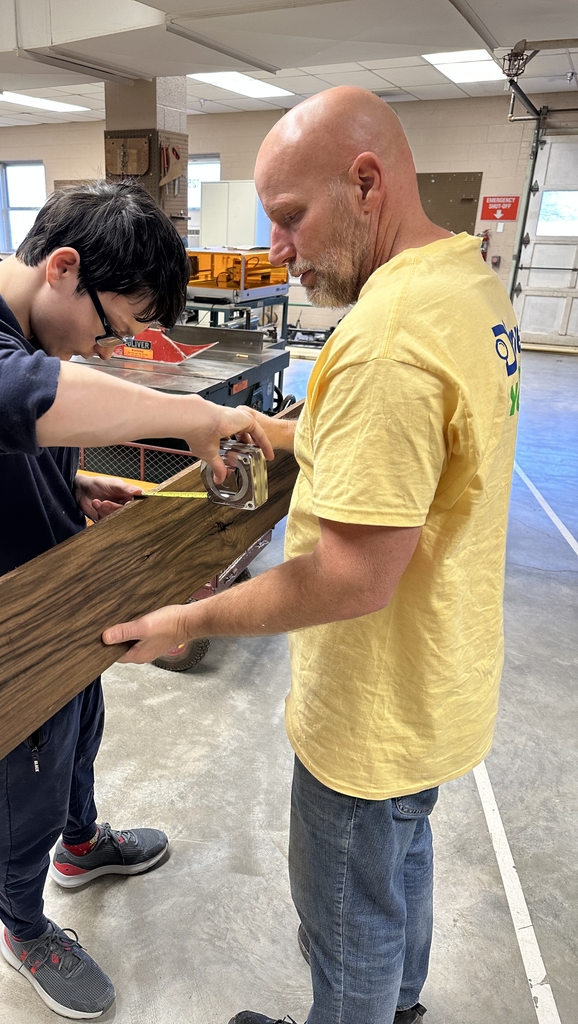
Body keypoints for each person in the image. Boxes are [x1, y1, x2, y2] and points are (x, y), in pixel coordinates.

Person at [104, 87, 521, 1024]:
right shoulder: (465, 286)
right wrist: (282, 429)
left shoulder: (385, 342)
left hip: (371, 706)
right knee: (399, 863)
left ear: (365, 183)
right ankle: (399, 1007)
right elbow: (419, 458)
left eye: (290, 216)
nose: (278, 248)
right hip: (438, 679)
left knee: (346, 918)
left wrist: (188, 617)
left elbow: (351, 577)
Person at [0, 179, 271, 1021]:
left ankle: (80, 846)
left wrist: (69, 484)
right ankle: (22, 925)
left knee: (80, 725)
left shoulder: (7, 310)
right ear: (63, 268)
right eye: (110, 326)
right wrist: (184, 415)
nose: (102, 348)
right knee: (26, 776)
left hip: (55, 584)